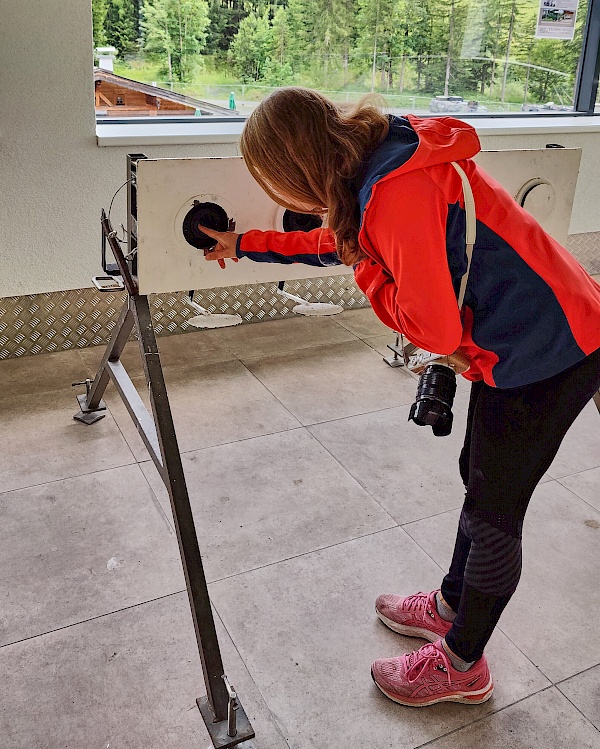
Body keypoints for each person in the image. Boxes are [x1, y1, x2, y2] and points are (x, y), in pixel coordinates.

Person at [198, 87, 600, 708]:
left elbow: (430, 327)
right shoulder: (381, 153)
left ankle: (464, 664)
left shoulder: (395, 192)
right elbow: (351, 239)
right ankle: (447, 605)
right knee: (480, 475)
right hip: (539, 325)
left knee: (496, 509)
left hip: (550, 347)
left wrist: (369, 275)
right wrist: (246, 243)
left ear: (293, 171)